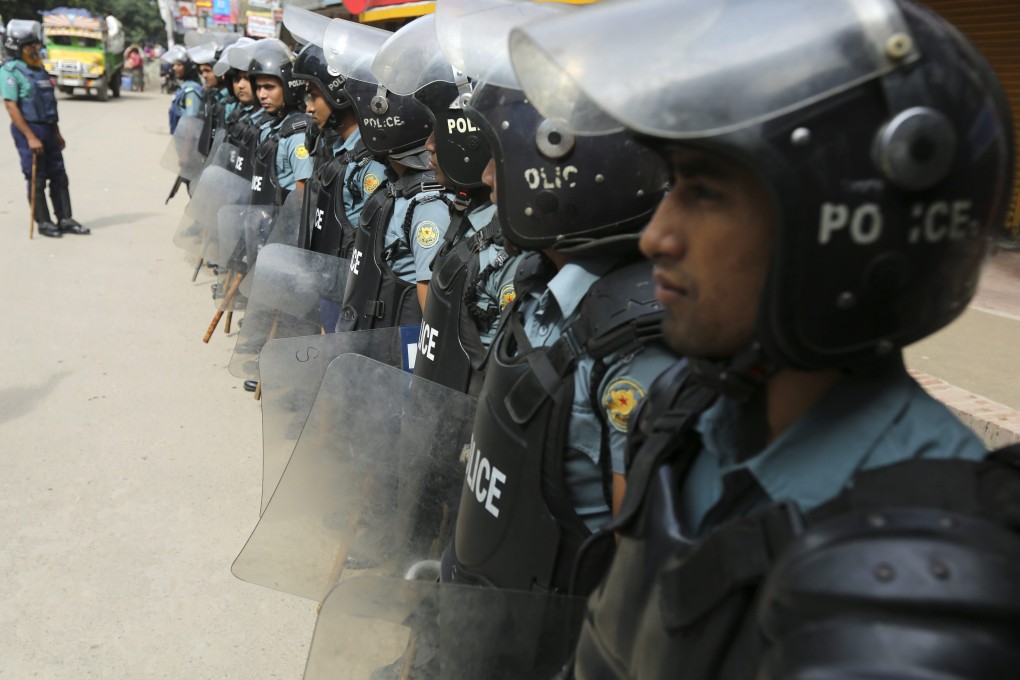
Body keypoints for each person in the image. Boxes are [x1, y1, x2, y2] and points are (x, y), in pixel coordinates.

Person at [508, 0, 1019, 676]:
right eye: (670, 186)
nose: (656, 235)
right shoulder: (687, 414)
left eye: (706, 192)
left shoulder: (923, 567)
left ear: (839, 231)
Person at [2, 19, 88, 237]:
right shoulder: (10, 71)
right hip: (29, 130)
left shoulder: (39, 70)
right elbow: (11, 106)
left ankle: (65, 218)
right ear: (19, 48)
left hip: (49, 129)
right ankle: (44, 222)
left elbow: (50, 104)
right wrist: (30, 137)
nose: (37, 49)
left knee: (59, 175)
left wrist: (57, 132)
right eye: (31, 46)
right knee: (37, 178)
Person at [163, 44, 202, 133]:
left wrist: (187, 146)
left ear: (188, 67)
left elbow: (191, 122)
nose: (174, 68)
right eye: (174, 65)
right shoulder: (183, 87)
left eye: (179, 65)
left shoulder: (191, 90)